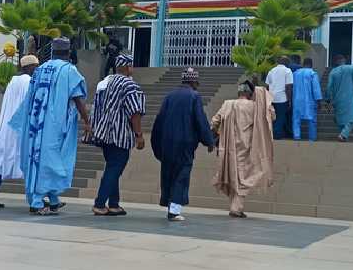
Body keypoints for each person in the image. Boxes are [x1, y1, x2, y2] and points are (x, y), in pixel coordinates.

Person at [11, 37, 90, 215]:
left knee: (41, 160)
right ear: (68, 53)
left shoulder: (39, 70)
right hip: (54, 126)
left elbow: (29, 98)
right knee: (50, 161)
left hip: (35, 125)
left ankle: (53, 199)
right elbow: (78, 98)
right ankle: (37, 202)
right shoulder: (69, 70)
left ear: (53, 52)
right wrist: (87, 121)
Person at [151, 68, 215, 222]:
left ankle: (169, 205)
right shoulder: (194, 96)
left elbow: (159, 121)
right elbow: (200, 120)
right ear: (193, 82)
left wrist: (157, 145)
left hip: (167, 143)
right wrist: (209, 141)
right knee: (181, 175)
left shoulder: (169, 96)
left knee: (168, 174)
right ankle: (174, 211)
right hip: (185, 144)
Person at [0, 55, 40, 208]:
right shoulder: (28, 82)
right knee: (30, 161)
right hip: (20, 127)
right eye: (35, 67)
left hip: (6, 127)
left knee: (0, 160)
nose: (37, 70)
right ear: (29, 67)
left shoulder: (13, 81)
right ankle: (37, 200)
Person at [89, 54, 146, 216]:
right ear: (128, 67)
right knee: (115, 168)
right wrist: (139, 135)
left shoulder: (105, 82)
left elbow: (96, 107)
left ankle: (114, 204)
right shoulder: (130, 85)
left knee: (112, 167)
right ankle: (99, 203)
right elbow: (135, 112)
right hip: (120, 135)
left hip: (104, 133)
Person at [211, 81, 275, 218]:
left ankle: (235, 206)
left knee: (234, 175)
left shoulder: (228, 104)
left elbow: (215, 121)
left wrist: (218, 134)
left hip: (228, 146)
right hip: (247, 147)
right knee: (245, 177)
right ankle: (236, 207)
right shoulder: (255, 107)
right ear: (249, 94)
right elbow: (271, 116)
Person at [326, 54, 353, 142]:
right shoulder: (352, 68)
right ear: (344, 60)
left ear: (336, 62)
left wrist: (328, 100)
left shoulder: (333, 72)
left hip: (337, 99)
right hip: (350, 98)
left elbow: (328, 87)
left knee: (341, 121)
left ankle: (343, 137)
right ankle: (343, 135)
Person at [292, 58, 323, 142]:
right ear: (311, 64)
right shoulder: (312, 73)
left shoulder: (295, 73)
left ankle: (296, 136)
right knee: (312, 120)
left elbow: (292, 87)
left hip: (297, 100)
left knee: (296, 119)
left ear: (303, 63)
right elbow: (316, 89)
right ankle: (311, 138)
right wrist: (319, 101)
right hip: (309, 100)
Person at [265, 56, 293, 139]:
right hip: (282, 98)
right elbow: (288, 87)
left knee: (273, 117)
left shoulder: (271, 71)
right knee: (281, 117)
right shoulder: (288, 71)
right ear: (287, 63)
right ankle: (276, 135)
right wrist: (289, 100)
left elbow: (267, 85)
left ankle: (271, 134)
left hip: (272, 98)